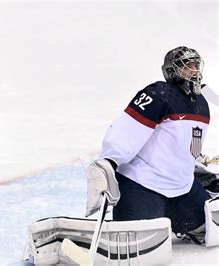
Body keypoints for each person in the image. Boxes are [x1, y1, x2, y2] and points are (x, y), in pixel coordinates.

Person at [85, 46, 212, 243]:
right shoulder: (159, 94)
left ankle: (179, 219)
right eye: (187, 67)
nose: (195, 71)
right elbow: (128, 129)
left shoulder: (201, 104)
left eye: (196, 65)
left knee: (211, 228)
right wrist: (108, 162)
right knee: (138, 243)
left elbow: (188, 143)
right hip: (142, 184)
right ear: (172, 71)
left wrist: (194, 166)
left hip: (181, 187)